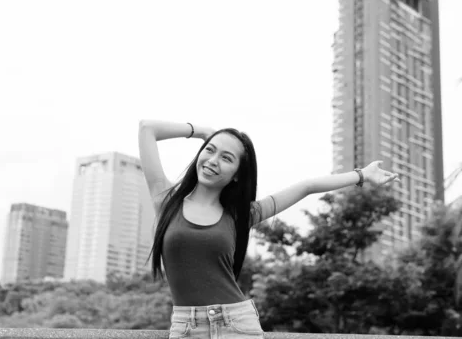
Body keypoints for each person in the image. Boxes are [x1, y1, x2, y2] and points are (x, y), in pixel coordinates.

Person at [138, 120, 400, 339]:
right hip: (186, 327)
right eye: (210, 150)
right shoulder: (166, 200)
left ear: (237, 175)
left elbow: (306, 186)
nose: (213, 160)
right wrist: (204, 132)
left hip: (237, 324)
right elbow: (147, 128)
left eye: (226, 158)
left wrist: (362, 176)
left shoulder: (242, 216)